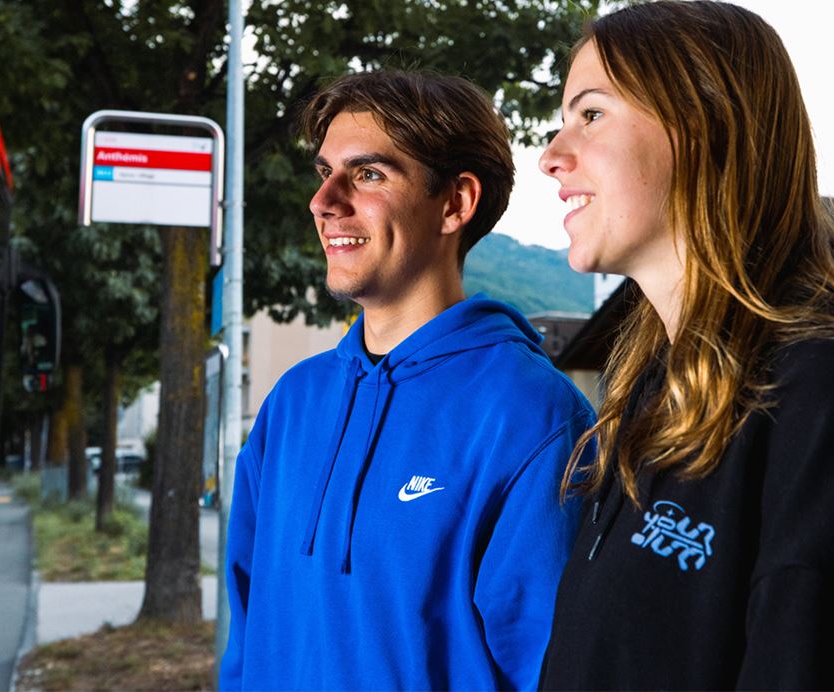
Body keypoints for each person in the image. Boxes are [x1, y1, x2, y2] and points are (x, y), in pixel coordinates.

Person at [536, 0, 834, 690]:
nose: (553, 156)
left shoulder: (833, 392)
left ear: (703, 127)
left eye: (590, 114)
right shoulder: (658, 393)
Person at [220, 70, 594, 691]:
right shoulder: (293, 401)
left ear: (455, 203)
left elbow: (547, 671)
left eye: (367, 174)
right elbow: (246, 628)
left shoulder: (534, 416)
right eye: (324, 173)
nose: (324, 201)